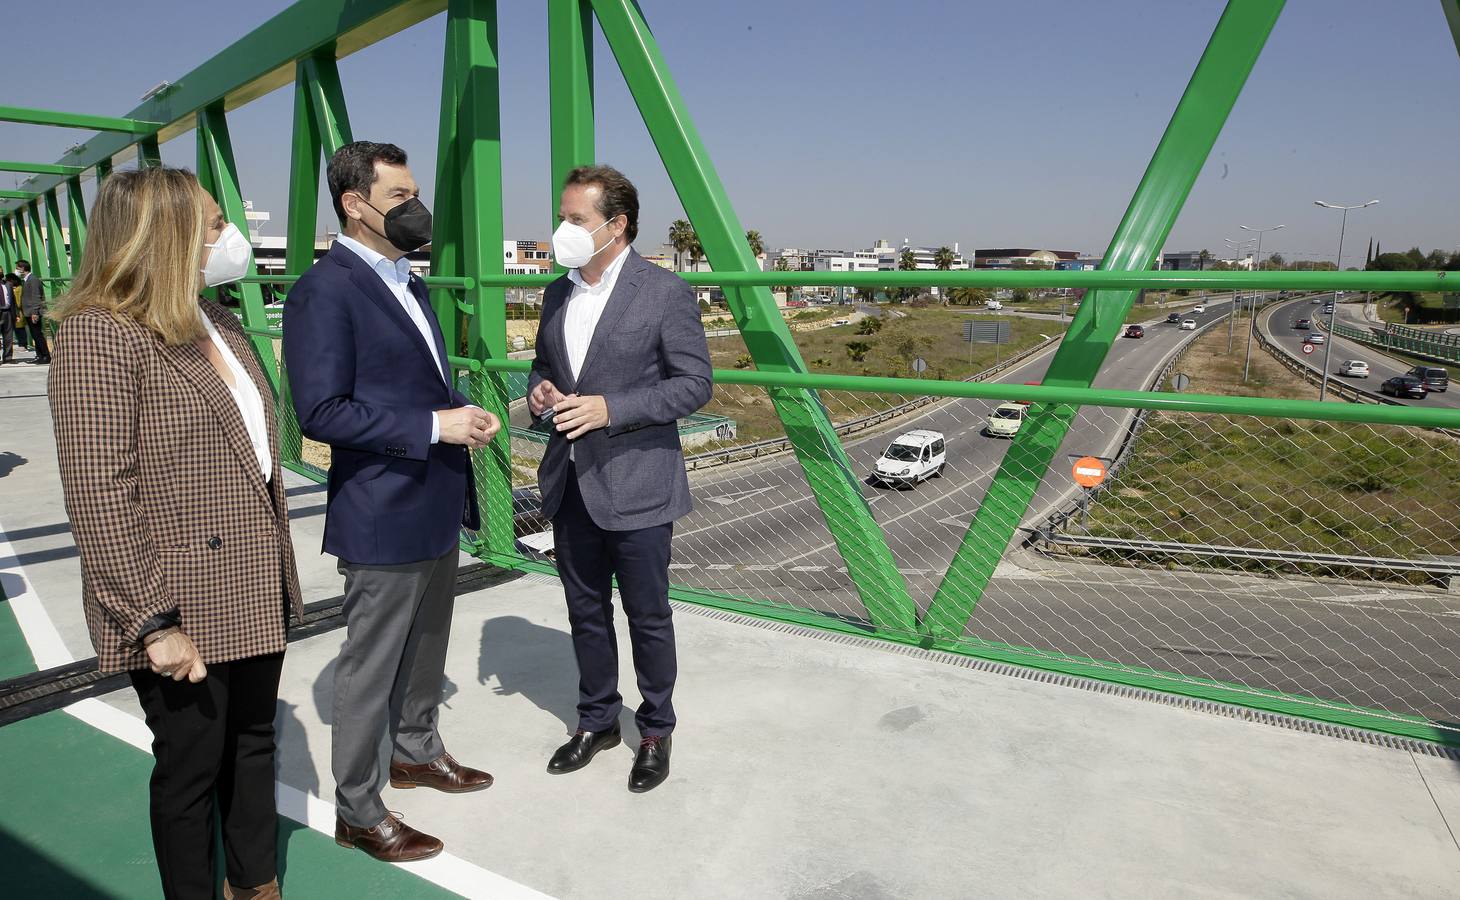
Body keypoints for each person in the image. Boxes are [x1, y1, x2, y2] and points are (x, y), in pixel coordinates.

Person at [49, 166, 304, 900]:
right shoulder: (100, 335)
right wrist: (152, 620)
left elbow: (252, 453)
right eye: (217, 224)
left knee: (254, 746)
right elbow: (101, 491)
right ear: (165, 233)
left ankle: (255, 884)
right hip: (177, 597)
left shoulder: (217, 321)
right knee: (192, 767)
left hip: (254, 578)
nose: (231, 238)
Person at [283, 141, 499, 863]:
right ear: (355, 204)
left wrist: (460, 409)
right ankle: (358, 807)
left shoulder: (408, 280)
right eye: (400, 196)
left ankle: (415, 751)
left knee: (428, 643)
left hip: (433, 498)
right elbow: (321, 411)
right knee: (371, 662)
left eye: (414, 193)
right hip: (381, 507)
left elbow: (421, 387)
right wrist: (434, 427)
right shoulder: (326, 290)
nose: (416, 207)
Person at [528, 165, 712, 793]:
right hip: (571, 479)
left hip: (638, 482)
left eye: (575, 219)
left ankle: (656, 728)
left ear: (616, 225)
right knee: (585, 611)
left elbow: (694, 385)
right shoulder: (557, 293)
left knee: (648, 615)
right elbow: (541, 365)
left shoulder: (663, 292)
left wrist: (612, 408)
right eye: (563, 216)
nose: (563, 229)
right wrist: (540, 393)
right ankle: (597, 720)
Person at [16, 259, 50, 363]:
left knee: (37, 335)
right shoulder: (27, 280)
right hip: (29, 312)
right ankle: (39, 356)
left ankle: (46, 356)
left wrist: (35, 312)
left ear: (22, 268)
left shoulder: (33, 280)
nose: (16, 270)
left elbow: (36, 297)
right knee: (34, 335)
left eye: (17, 268)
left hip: (33, 312)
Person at [0, 272, 14, 361]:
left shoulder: (8, 284)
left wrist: (15, 314)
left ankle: (8, 357)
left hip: (8, 312)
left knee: (8, 336)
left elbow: (13, 300)